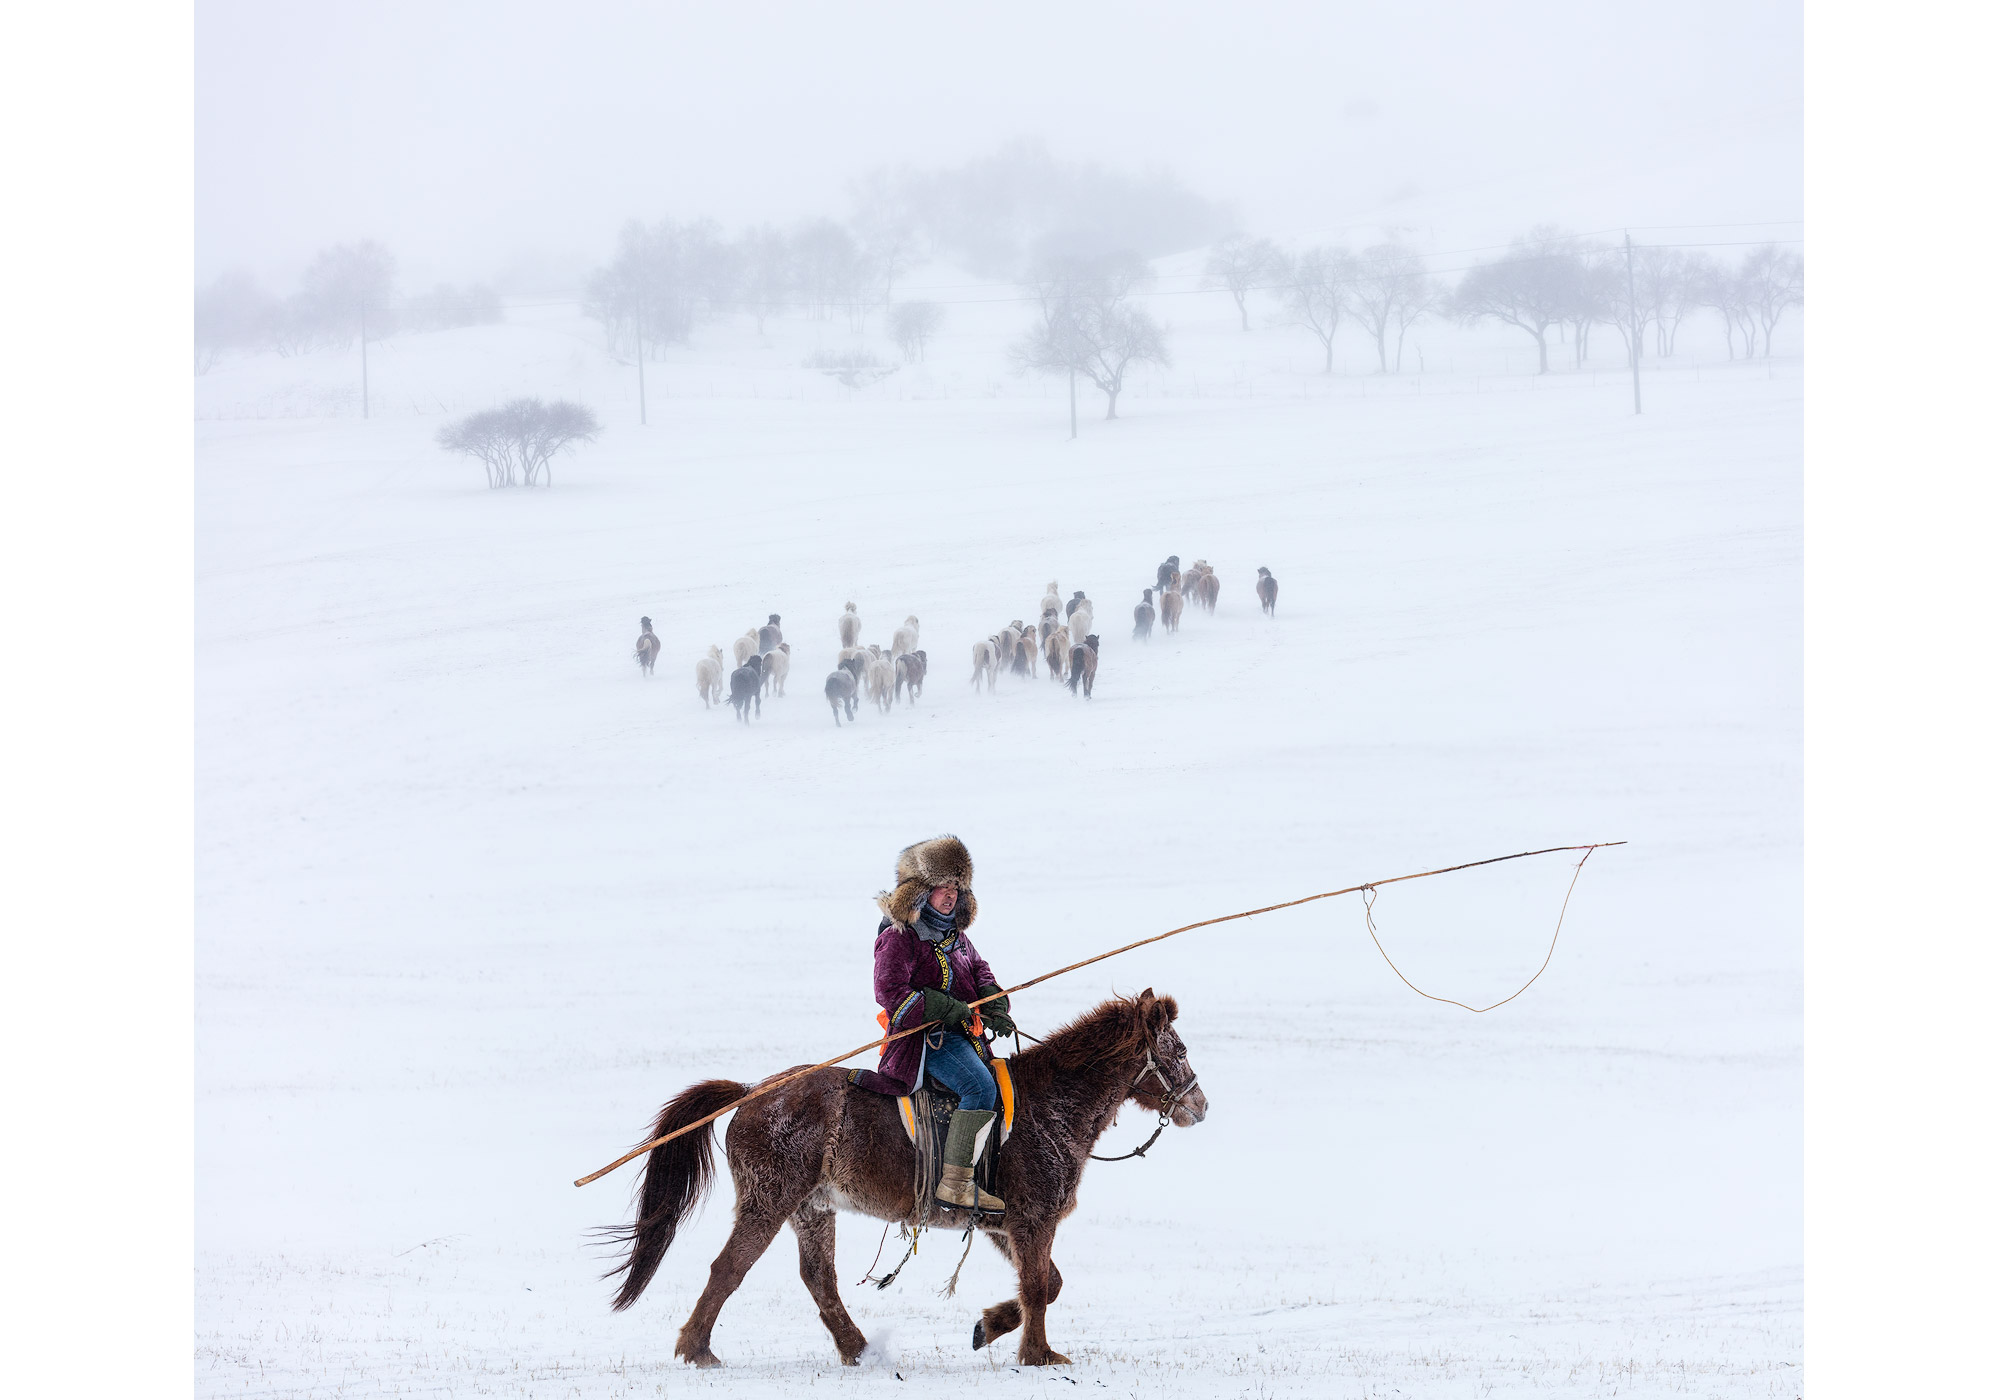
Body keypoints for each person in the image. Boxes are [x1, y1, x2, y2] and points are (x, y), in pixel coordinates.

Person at [856, 835, 1016, 1212]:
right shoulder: (898, 937)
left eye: (957, 888)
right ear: (920, 890)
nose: (951, 895)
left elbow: (978, 969)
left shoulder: (955, 936)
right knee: (979, 1086)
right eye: (943, 886)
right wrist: (942, 1007)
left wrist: (994, 1001)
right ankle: (955, 1185)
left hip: (963, 1037)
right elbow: (890, 992)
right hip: (922, 1044)